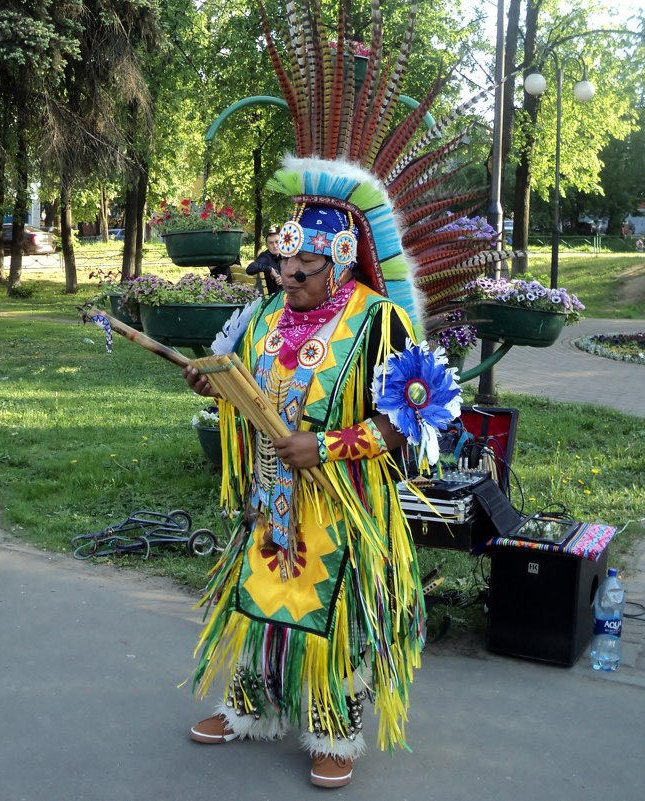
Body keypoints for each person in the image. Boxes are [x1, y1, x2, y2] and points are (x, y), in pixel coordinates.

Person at [183, 202, 429, 789]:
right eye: (282, 261)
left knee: (328, 613)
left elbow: (412, 418)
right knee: (259, 598)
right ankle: (250, 707)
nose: (288, 274)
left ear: (339, 262)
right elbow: (250, 395)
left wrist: (328, 447)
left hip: (342, 504)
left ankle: (333, 729)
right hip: (272, 499)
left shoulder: (379, 321)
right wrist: (212, 384)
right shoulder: (264, 314)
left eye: (305, 263)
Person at [244, 227, 282, 294]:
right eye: (271, 243)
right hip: (273, 299)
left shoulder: (285, 256)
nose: (275, 245)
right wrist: (269, 269)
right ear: (267, 246)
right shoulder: (265, 257)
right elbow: (250, 268)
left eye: (277, 242)